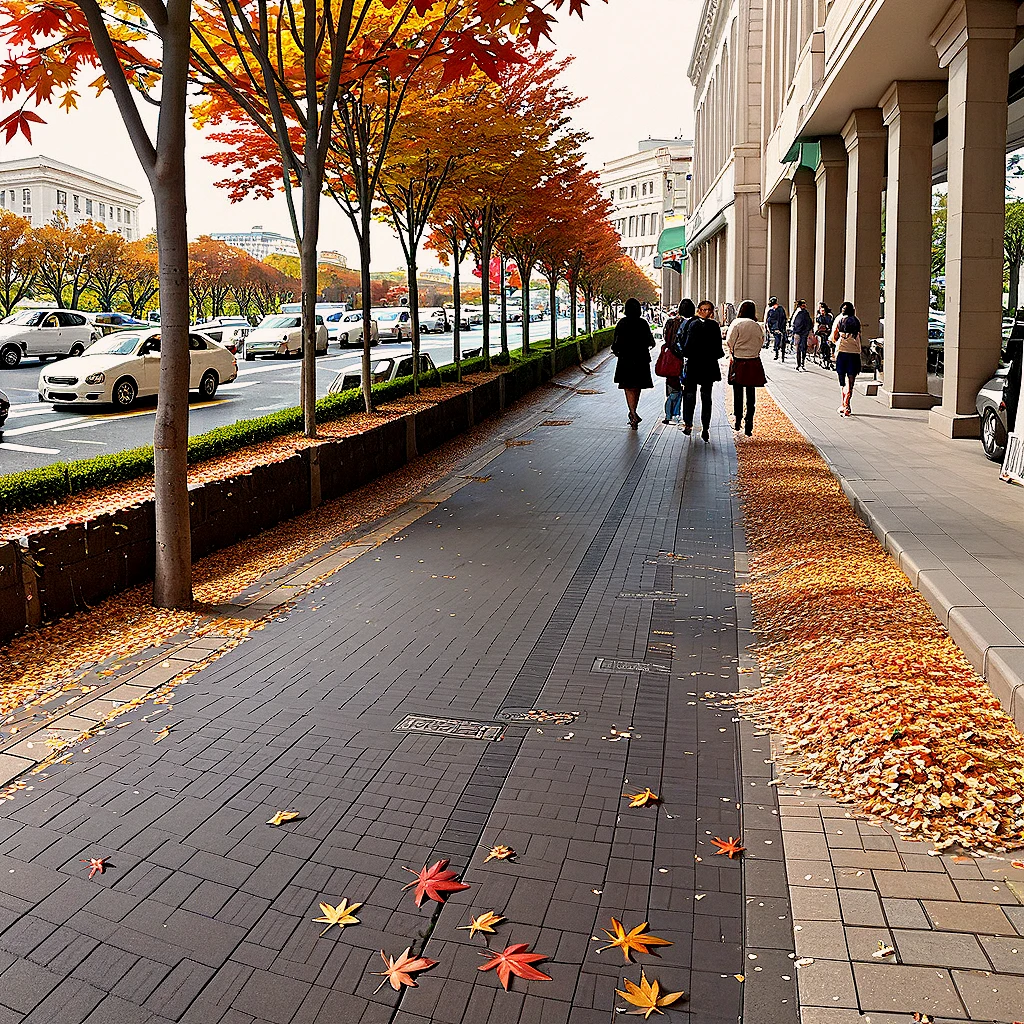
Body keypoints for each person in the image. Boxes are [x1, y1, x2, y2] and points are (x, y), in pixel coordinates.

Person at [681, 299, 724, 441]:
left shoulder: (693, 324)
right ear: (699, 310)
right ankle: (700, 426)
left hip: (695, 364)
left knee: (693, 395)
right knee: (703, 397)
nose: (706, 312)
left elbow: (686, 347)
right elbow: (719, 349)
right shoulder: (713, 326)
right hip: (708, 365)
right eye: (704, 309)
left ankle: (693, 425)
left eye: (708, 310)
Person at [724, 300, 768, 436]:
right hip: (753, 361)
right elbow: (762, 341)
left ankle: (738, 420)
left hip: (739, 361)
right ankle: (749, 421)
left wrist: (733, 352)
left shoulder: (736, 324)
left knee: (738, 392)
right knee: (751, 392)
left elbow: (729, 341)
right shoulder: (757, 325)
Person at [613, 297, 656, 429]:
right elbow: (651, 342)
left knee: (628, 387)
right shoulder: (643, 323)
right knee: (637, 387)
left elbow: (615, 344)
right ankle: (633, 412)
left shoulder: (622, 323)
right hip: (641, 360)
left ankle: (632, 413)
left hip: (625, 360)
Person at [662, 299, 694, 424]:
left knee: (672, 387)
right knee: (686, 388)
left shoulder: (670, 322)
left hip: (672, 359)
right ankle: (680, 413)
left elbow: (666, 339)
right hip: (687, 359)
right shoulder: (693, 323)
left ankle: (669, 414)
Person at [832, 300, 862, 416]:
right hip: (854, 353)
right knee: (851, 380)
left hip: (842, 352)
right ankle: (847, 404)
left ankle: (843, 403)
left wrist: (838, 342)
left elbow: (834, 336)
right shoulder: (856, 322)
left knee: (842, 380)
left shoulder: (840, 321)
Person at [791, 299, 812, 370]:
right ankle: (800, 363)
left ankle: (801, 363)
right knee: (800, 348)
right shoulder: (800, 312)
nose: (805, 306)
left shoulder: (801, 312)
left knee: (801, 348)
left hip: (800, 332)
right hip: (800, 332)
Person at [766, 296, 788, 361]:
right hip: (777, 328)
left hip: (778, 328)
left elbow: (769, 320)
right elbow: (769, 320)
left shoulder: (775, 310)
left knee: (780, 341)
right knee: (778, 340)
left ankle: (779, 354)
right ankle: (778, 354)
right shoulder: (775, 310)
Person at [814, 302, 834, 368]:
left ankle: (827, 359)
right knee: (822, 345)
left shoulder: (829, 316)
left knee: (827, 346)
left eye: (823, 310)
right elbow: (817, 324)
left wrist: (828, 329)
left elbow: (831, 324)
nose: (822, 311)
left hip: (827, 333)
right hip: (821, 334)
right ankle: (823, 357)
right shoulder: (819, 317)